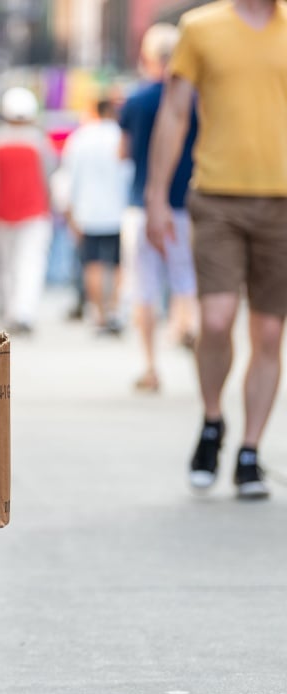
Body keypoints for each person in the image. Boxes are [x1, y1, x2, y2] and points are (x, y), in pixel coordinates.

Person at [145, 0, 287, 500]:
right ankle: (212, 421)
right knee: (218, 320)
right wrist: (156, 195)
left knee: (269, 331)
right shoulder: (201, 27)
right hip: (218, 197)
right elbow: (175, 112)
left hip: (283, 203)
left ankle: (249, 453)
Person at [119, 22, 200, 394]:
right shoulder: (198, 100)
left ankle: (150, 367)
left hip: (142, 202)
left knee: (144, 288)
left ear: (148, 56)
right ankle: (189, 331)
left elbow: (122, 152)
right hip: (187, 202)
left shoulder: (135, 101)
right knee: (187, 281)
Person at [0, 86, 57, 336]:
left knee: (6, 264)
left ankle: (12, 311)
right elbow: (50, 176)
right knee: (30, 263)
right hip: (35, 212)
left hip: (1, 214)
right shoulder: (40, 141)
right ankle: (24, 312)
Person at [60, 97, 130, 335]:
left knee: (92, 264)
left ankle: (99, 315)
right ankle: (115, 311)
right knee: (120, 264)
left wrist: (70, 209)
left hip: (88, 211)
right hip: (120, 210)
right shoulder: (121, 136)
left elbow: (70, 176)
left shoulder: (80, 138)